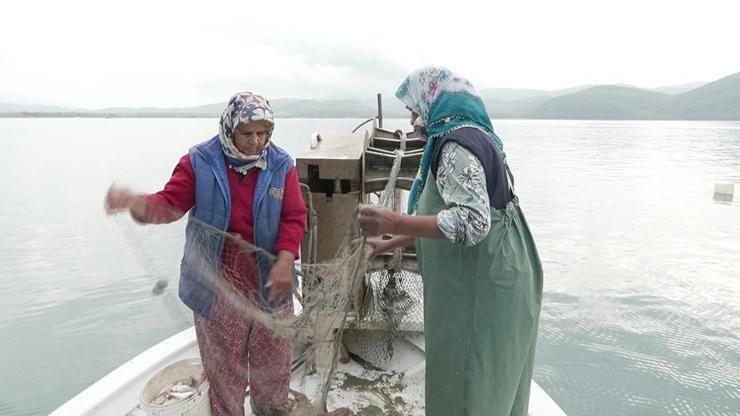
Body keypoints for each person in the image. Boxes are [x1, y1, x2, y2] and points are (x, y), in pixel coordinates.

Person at [105, 92, 308, 415]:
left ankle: (269, 409)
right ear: (229, 129)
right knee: (225, 378)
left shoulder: (280, 164)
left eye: (263, 133)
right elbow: (169, 206)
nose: (257, 141)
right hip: (218, 289)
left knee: (273, 369)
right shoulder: (200, 162)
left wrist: (285, 259)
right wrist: (135, 202)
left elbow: (294, 217)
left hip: (272, 286)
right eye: (247, 133)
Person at [357, 67, 543, 416]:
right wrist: (391, 242)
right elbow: (444, 210)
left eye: (414, 106)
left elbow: (471, 222)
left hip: (482, 288)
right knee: (493, 384)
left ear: (434, 102)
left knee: (468, 382)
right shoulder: (476, 136)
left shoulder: (455, 147)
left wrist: (392, 219)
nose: (412, 117)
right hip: (503, 276)